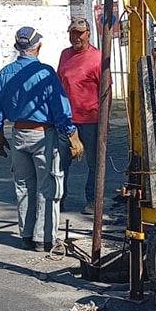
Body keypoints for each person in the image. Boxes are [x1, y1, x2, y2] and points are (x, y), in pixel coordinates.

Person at [0, 26, 84, 252]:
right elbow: (60, 108)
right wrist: (73, 137)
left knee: (23, 186)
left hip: (18, 134)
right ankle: (45, 239)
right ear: (38, 47)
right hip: (43, 135)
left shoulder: (4, 74)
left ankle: (27, 235)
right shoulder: (45, 73)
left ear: (17, 48)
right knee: (47, 187)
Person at [57, 16, 104, 215]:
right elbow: (59, 85)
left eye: (79, 34)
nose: (76, 37)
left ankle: (92, 201)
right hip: (66, 120)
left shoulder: (98, 57)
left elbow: (105, 91)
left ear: (88, 35)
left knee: (94, 164)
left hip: (91, 121)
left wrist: (105, 121)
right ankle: (58, 200)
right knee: (60, 164)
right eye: (72, 33)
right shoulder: (64, 55)